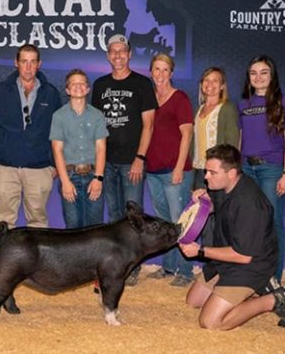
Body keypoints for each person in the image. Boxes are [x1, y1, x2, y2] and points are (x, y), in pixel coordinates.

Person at [179, 144, 285, 330]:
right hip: (227, 259)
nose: (206, 177)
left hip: (251, 264)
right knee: (193, 301)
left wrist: (201, 251)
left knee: (210, 322)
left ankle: (275, 299)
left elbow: (243, 256)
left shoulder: (250, 204)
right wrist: (202, 202)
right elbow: (216, 207)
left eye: (212, 173)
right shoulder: (223, 186)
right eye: (206, 171)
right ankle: (256, 289)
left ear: (232, 173)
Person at [91, 33, 157, 286]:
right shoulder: (99, 85)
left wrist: (140, 157)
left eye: (122, 50)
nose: (118, 55)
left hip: (132, 162)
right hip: (107, 162)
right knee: (115, 216)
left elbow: (148, 125)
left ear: (129, 54)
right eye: (113, 51)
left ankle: (134, 266)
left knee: (134, 215)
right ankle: (117, 263)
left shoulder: (141, 84)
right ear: (108, 56)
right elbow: (97, 127)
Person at [0, 44, 61, 242]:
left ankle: (38, 272)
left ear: (39, 64)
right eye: (23, 62)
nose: (28, 67)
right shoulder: (1, 90)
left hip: (39, 169)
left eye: (32, 62)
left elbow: (59, 132)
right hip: (5, 167)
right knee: (3, 223)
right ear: (16, 63)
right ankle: (0, 271)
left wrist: (53, 165)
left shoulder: (51, 93)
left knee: (38, 223)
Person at [238, 55, 285, 282]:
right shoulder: (244, 104)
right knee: (253, 224)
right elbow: (241, 140)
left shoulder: (284, 102)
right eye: (253, 73)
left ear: (272, 76)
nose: (258, 77)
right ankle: (255, 273)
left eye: (263, 72)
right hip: (247, 169)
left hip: (272, 170)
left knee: (272, 224)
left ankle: (274, 278)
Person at [144, 54, 194, 287]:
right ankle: (168, 266)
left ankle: (185, 270)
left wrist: (179, 168)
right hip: (153, 170)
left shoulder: (180, 98)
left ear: (171, 73)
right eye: (157, 69)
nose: (161, 74)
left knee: (178, 221)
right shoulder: (149, 99)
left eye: (165, 70)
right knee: (163, 223)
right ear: (151, 72)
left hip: (175, 170)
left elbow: (187, 135)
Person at [50, 69, 108, 228]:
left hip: (93, 177)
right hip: (70, 177)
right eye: (73, 84)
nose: (78, 86)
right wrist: (65, 182)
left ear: (88, 89)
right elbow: (57, 151)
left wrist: (99, 178)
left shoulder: (97, 115)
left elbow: (101, 148)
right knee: (73, 226)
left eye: (82, 83)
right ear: (67, 90)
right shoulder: (59, 116)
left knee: (95, 227)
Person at [192, 67, 239, 190]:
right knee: (201, 208)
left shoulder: (227, 108)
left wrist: (225, 170)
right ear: (201, 84)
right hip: (199, 170)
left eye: (215, 81)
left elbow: (232, 143)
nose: (210, 84)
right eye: (206, 80)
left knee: (218, 208)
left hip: (218, 171)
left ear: (222, 86)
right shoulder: (198, 110)